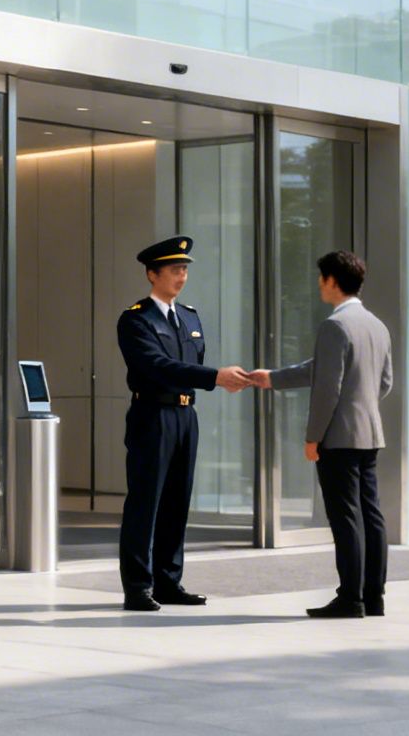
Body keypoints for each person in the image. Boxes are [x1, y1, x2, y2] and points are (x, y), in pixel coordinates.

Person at [115, 235, 254, 612]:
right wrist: (215, 377)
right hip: (152, 415)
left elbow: (189, 364)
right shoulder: (135, 319)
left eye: (185, 270)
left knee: (177, 501)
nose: (182, 276)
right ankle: (138, 586)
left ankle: (168, 581)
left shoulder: (189, 316)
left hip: (185, 415)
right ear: (152, 273)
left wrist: (212, 379)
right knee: (146, 502)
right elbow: (157, 366)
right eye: (175, 269)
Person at [253, 250, 393, 619]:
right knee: (371, 515)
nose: (318, 284)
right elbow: (383, 382)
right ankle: (372, 596)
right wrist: (273, 378)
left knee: (346, 517)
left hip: (339, 438)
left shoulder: (334, 327)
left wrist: (313, 437)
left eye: (321, 278)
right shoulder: (376, 325)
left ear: (333, 281)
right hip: (369, 434)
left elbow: (328, 388)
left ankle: (350, 598)